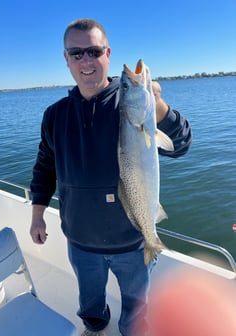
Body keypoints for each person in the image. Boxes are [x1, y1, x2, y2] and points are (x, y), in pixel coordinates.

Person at [30, 18, 192, 336]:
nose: (86, 60)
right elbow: (44, 167)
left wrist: (156, 105)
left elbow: (181, 145)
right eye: (76, 53)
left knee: (136, 307)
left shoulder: (134, 106)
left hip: (132, 242)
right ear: (66, 59)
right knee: (90, 303)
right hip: (81, 242)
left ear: (107, 53)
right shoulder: (55, 115)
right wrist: (37, 215)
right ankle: (95, 328)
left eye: (93, 50)